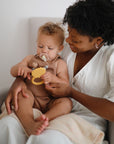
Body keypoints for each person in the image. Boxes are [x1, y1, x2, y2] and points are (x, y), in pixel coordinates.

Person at [0, 0, 114, 144]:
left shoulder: (111, 58)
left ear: (98, 40)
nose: (68, 40)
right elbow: (34, 64)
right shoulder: (61, 46)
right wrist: (18, 81)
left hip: (82, 118)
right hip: (41, 105)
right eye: (69, 33)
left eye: (75, 39)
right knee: (6, 126)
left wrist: (71, 92)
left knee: (45, 139)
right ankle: (32, 123)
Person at [8, 22, 72, 136]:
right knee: (22, 95)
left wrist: (53, 78)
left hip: (50, 100)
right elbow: (12, 71)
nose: (44, 51)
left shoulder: (59, 64)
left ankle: (45, 118)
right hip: (31, 97)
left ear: (60, 48)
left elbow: (65, 84)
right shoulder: (31, 59)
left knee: (67, 103)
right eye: (40, 46)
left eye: (50, 48)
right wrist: (21, 67)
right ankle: (29, 124)